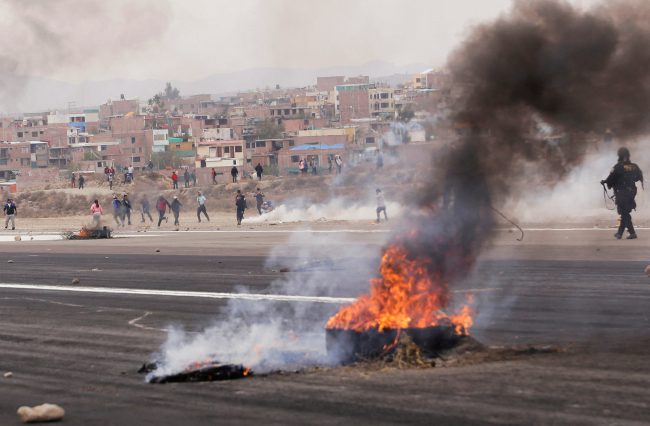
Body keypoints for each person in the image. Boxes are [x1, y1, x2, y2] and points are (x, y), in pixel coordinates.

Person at [602, 147, 644, 239]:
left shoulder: (617, 167)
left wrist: (605, 182)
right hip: (632, 191)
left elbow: (611, 179)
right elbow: (638, 178)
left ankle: (632, 233)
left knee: (624, 212)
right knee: (624, 212)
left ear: (619, 155)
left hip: (621, 192)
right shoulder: (634, 166)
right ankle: (619, 233)